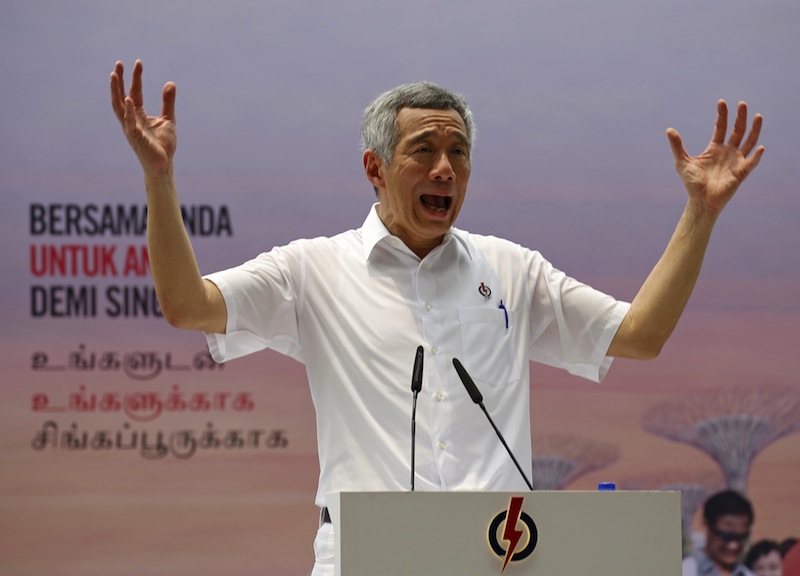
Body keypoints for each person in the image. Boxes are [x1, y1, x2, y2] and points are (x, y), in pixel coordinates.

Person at [110, 60, 765, 575]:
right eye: (424, 150)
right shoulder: (313, 270)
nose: (446, 169)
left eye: (460, 152)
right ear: (375, 167)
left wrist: (700, 213)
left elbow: (640, 336)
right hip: (367, 558)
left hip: (499, 557)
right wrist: (158, 179)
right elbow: (187, 306)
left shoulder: (510, 270)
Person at [683, 490, 756, 576]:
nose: (733, 545)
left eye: (741, 537)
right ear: (707, 524)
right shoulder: (685, 571)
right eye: (726, 536)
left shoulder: (747, 574)